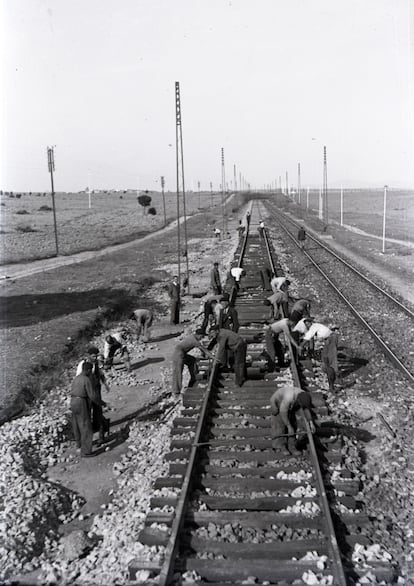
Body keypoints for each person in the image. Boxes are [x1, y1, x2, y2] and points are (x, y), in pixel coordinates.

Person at [77, 347, 110, 445]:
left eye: (96, 356)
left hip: (96, 391)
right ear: (88, 355)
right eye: (93, 356)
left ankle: (101, 437)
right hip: (87, 392)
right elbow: (79, 378)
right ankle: (87, 437)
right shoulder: (82, 365)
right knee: (87, 414)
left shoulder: (96, 363)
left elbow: (100, 374)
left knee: (98, 412)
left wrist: (105, 384)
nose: (95, 358)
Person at [70, 361, 104, 457]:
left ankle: (79, 444)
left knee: (76, 424)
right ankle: (86, 452)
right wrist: (102, 403)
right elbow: (92, 396)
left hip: (73, 402)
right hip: (81, 402)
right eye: (90, 370)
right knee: (86, 426)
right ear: (88, 370)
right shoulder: (86, 379)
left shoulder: (76, 378)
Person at [270, 385, 315, 455]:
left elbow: (306, 409)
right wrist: (288, 426)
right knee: (280, 423)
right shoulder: (288, 398)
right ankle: (281, 446)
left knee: (293, 423)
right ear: (298, 400)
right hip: (277, 403)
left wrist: (311, 423)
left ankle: (292, 446)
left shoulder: (304, 395)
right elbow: (283, 413)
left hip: (290, 405)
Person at [171, 329, 214, 395]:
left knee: (192, 360)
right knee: (178, 372)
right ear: (198, 335)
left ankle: (193, 377)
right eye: (201, 336)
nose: (201, 338)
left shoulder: (192, 337)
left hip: (182, 353)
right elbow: (203, 349)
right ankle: (176, 391)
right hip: (178, 354)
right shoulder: (194, 341)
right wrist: (212, 356)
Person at [321, 327, 339, 392]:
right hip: (329, 358)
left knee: (331, 372)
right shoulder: (332, 338)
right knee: (331, 372)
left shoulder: (332, 338)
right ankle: (331, 387)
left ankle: (331, 387)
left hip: (330, 357)